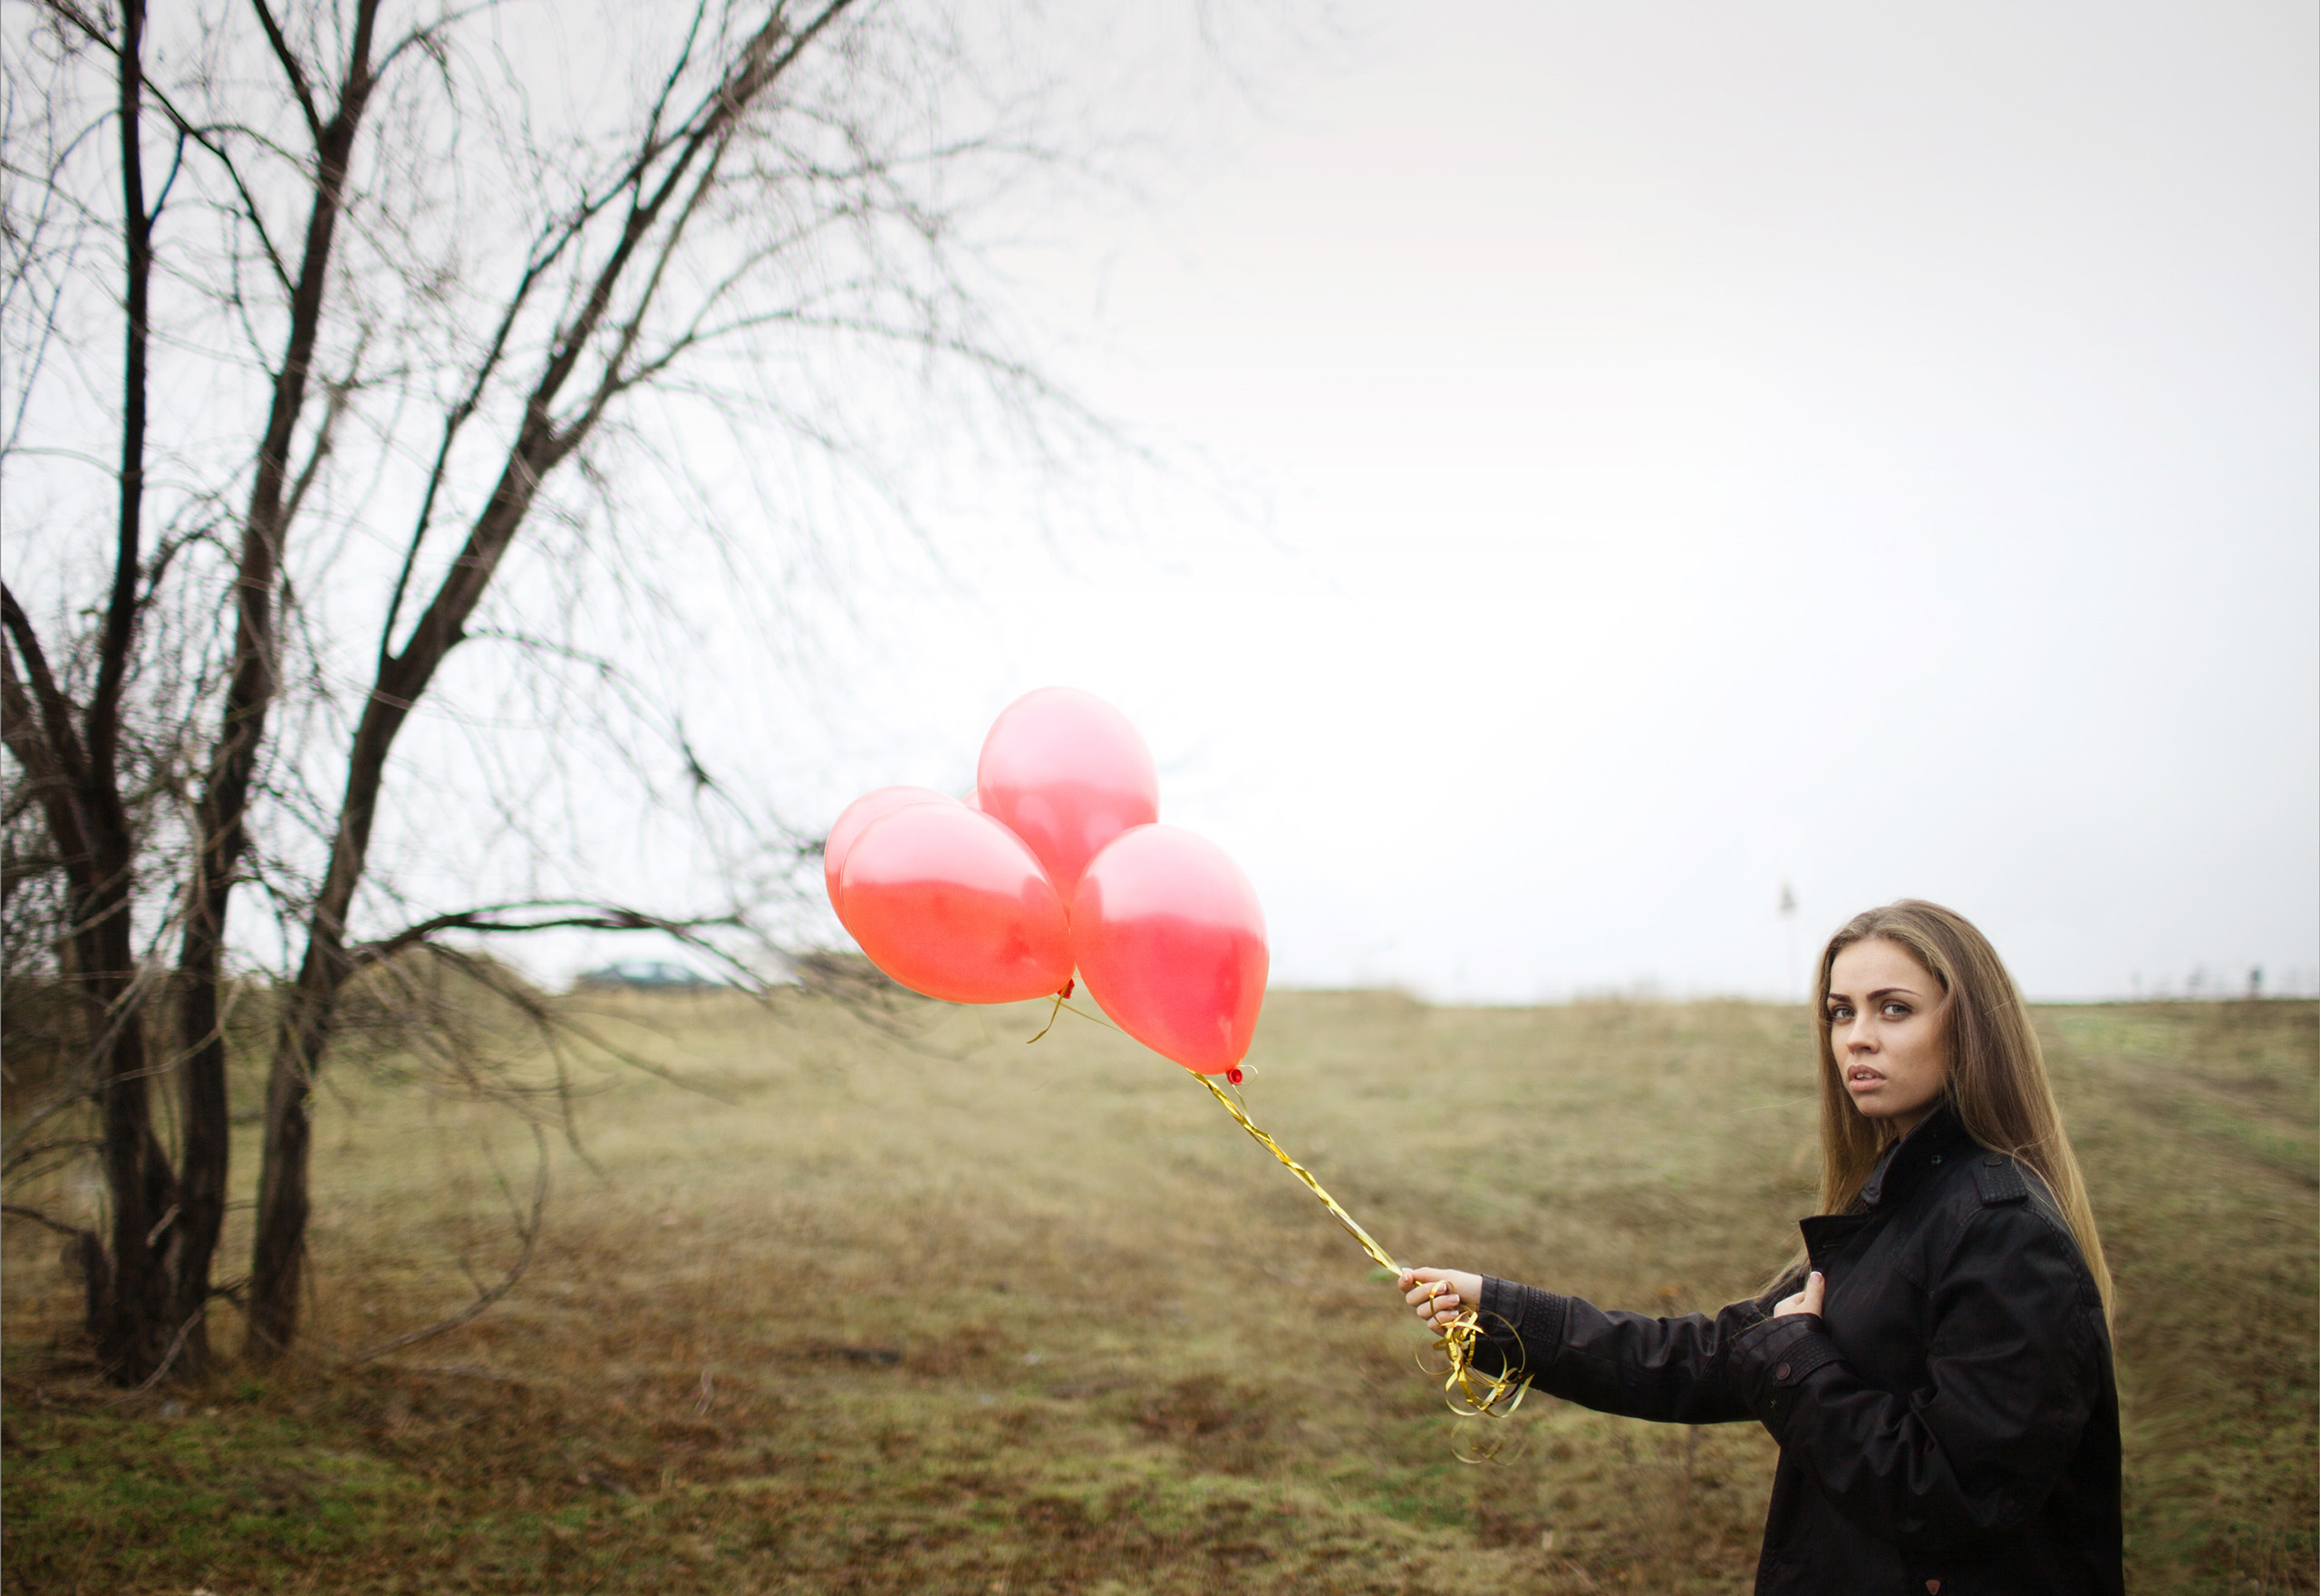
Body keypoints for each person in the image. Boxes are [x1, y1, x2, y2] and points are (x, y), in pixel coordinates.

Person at [1398, 900, 2122, 1595]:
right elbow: (1706, 1358)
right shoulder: (1895, 1208)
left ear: (1969, 1029)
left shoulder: (2003, 1232)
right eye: (1841, 1012)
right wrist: (1498, 1311)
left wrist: (1799, 1359)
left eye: (1892, 1008)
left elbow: (1951, 1494)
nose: (1856, 1037)